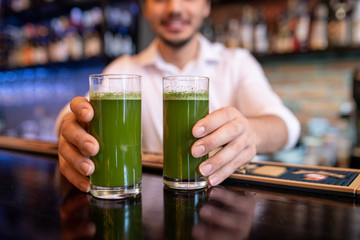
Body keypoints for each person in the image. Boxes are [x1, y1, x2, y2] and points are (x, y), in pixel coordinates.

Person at [56, 0, 300, 192]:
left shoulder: (236, 62)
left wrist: (249, 132)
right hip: (151, 205)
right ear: (146, 8)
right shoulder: (124, 70)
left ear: (206, 6)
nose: (174, 7)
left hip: (223, 201)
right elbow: (68, 119)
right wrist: (72, 128)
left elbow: (286, 125)